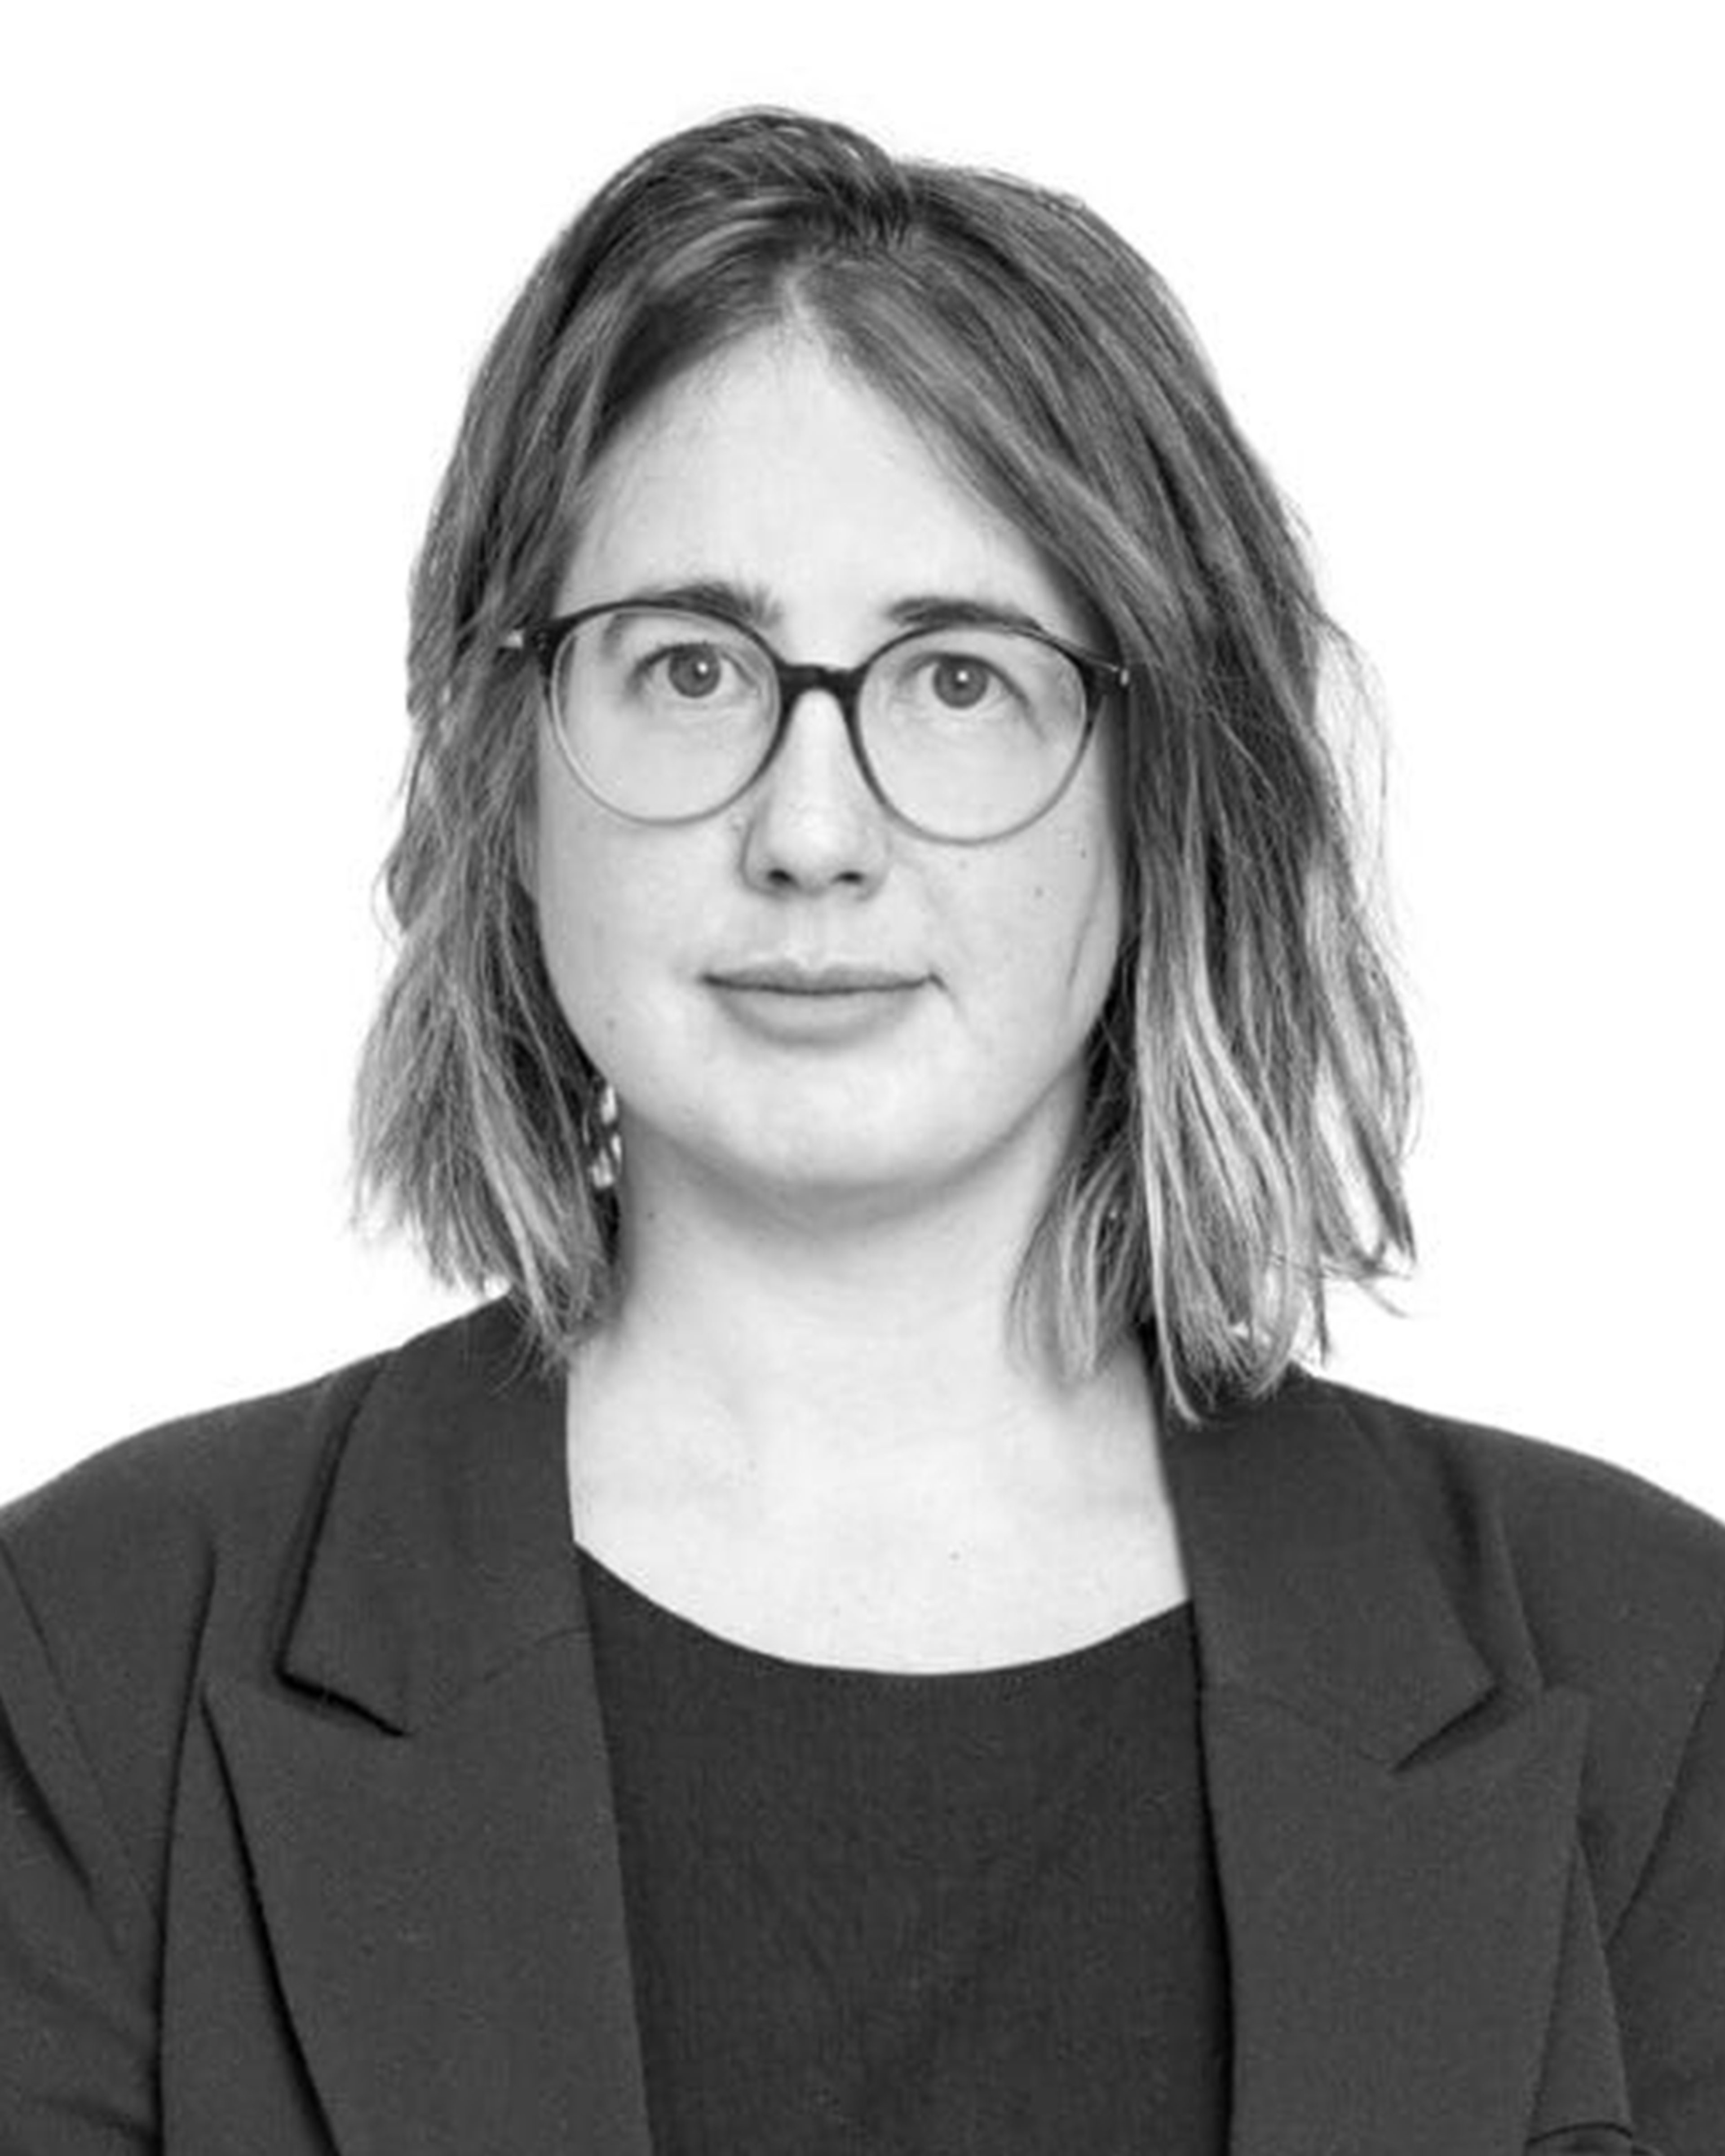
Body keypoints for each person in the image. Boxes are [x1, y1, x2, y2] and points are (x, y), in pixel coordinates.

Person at [1, 104, 1720, 2156]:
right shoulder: (93, 1664)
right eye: (692, 668)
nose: (811, 832)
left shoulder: (1652, 1679)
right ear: (505, 765)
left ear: (1169, 779)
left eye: (961, 681)